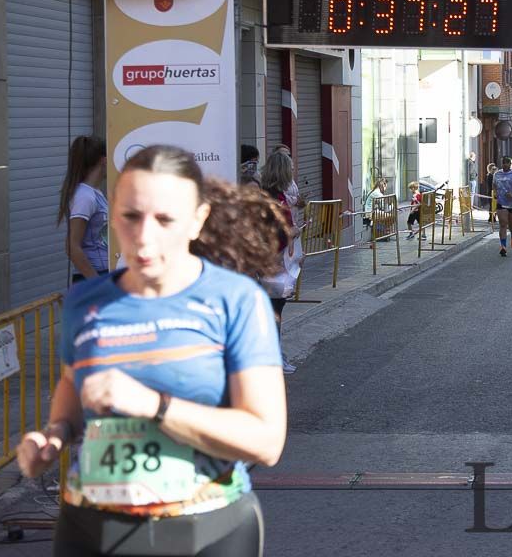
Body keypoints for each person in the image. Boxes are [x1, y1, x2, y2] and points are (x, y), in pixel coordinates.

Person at [17, 145, 287, 556]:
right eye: (130, 216)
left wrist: (153, 405)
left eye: (164, 219)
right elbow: (72, 400)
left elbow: (266, 441)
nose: (144, 236)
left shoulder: (236, 301)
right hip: (90, 525)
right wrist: (52, 439)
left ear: (198, 221)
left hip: (207, 526)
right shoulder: (85, 303)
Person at [260, 151, 303, 375]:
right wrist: (293, 232)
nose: (293, 171)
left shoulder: (274, 195)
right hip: (272, 261)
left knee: (275, 308)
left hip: (276, 259)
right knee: (274, 310)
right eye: (291, 167)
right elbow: (277, 231)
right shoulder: (273, 198)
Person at [57, 135, 110, 282]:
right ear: (104, 160)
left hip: (104, 272)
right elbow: (71, 247)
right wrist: (96, 283)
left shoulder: (94, 192)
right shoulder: (84, 196)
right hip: (95, 276)